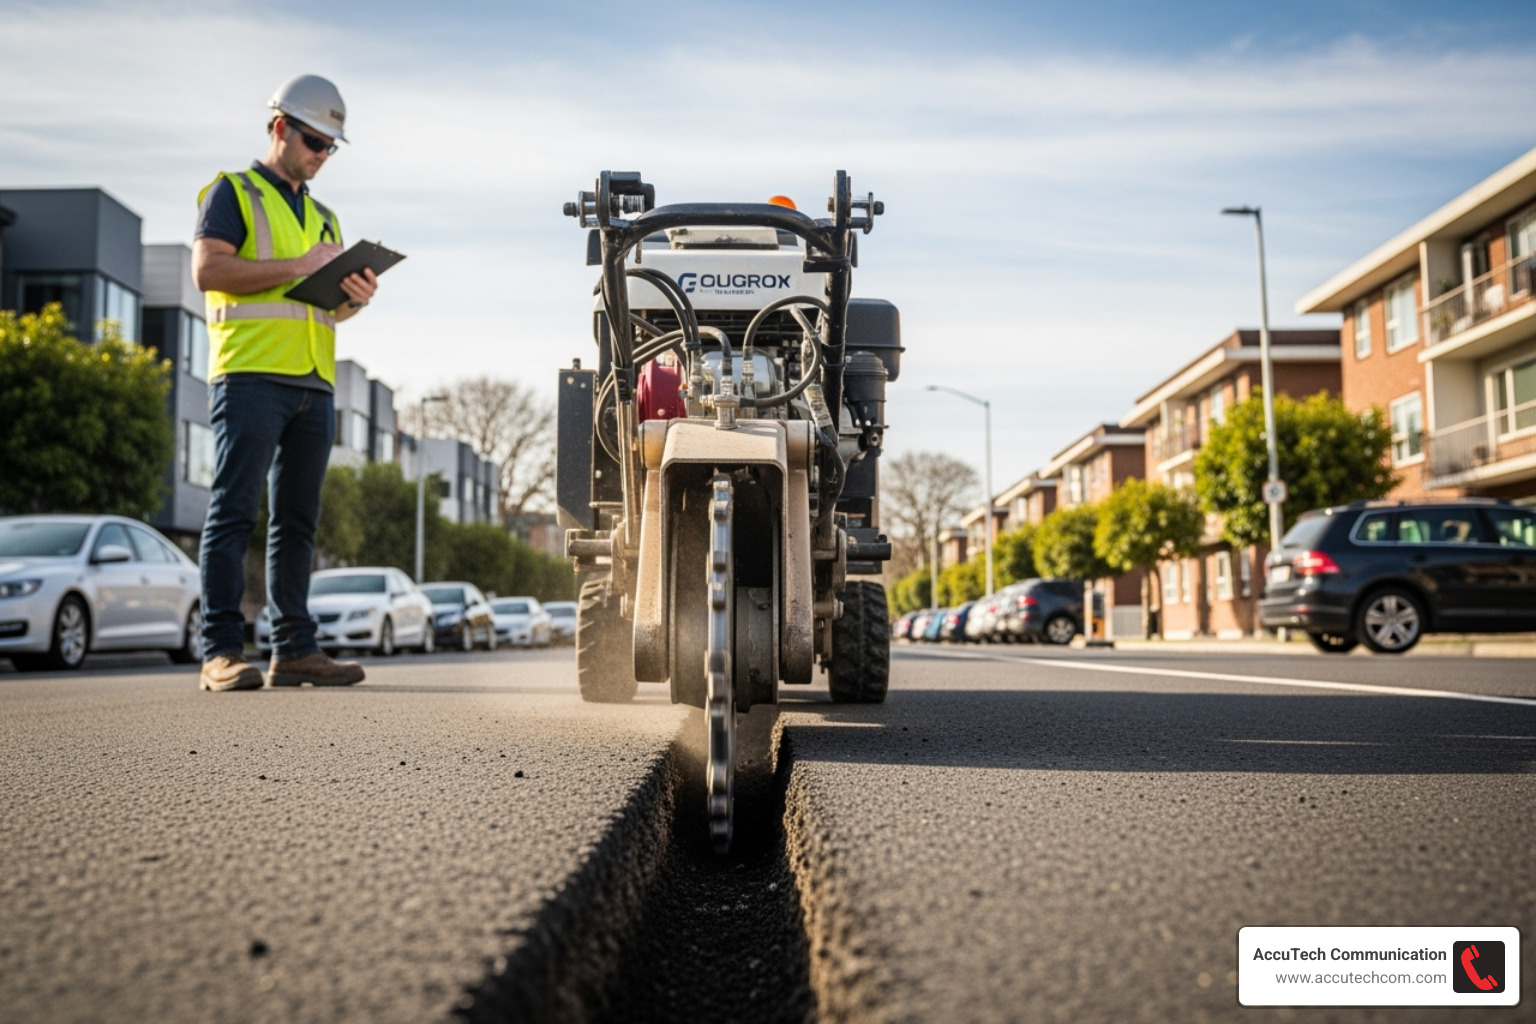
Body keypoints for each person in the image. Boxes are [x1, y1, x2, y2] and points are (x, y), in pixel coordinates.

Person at [193, 74, 378, 691]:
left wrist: (356, 297)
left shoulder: (324, 216)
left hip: (313, 382)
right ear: (280, 128)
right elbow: (209, 269)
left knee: (297, 522)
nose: (323, 155)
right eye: (315, 142)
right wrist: (298, 266)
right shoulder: (233, 192)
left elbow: (326, 308)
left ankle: (294, 648)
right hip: (249, 373)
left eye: (331, 147)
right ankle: (220, 651)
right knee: (233, 513)